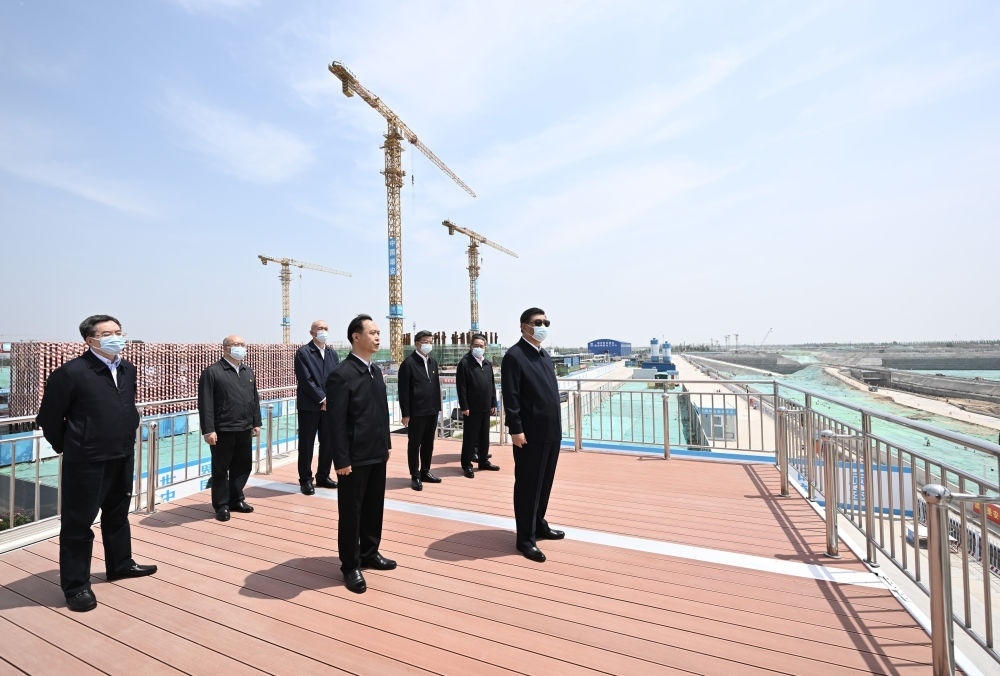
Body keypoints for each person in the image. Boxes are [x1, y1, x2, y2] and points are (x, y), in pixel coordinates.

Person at [35, 314, 158, 612]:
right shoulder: (70, 373)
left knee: (117, 514)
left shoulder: (127, 368)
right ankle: (76, 586)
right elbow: (49, 419)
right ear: (90, 340)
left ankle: (120, 564)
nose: (117, 338)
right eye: (107, 334)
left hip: (122, 454)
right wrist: (72, 446)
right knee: (78, 524)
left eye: (118, 332)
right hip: (86, 460)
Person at [326, 314, 396, 594]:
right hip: (353, 459)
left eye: (379, 333)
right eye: (372, 332)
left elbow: (381, 412)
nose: (378, 337)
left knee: (374, 508)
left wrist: (386, 444)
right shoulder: (341, 375)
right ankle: (350, 565)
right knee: (351, 513)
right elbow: (335, 422)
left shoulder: (375, 371)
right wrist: (341, 459)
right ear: (356, 337)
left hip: (376, 452)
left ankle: (370, 552)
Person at [501, 307, 565, 563]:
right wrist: (516, 428)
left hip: (551, 432)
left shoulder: (544, 355)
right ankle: (525, 539)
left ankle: (539, 524)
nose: (543, 327)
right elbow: (511, 396)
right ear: (523, 326)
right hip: (529, 434)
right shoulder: (514, 356)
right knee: (528, 485)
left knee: (545, 483)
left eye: (546, 322)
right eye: (538, 322)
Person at [198, 334, 261, 522]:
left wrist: (256, 422)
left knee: (243, 466)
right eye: (236, 344)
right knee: (221, 469)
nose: (241, 347)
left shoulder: (248, 371)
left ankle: (236, 499)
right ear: (225, 348)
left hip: (244, 428)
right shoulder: (212, 372)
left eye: (243, 344)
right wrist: (208, 430)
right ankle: (221, 505)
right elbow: (205, 403)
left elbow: (254, 399)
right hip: (223, 429)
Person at [294, 319, 340, 495]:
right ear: (311, 332)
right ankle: (305, 480)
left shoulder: (332, 353)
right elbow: (305, 379)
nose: (323, 331)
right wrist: (322, 398)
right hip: (310, 406)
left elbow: (336, 378)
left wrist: (333, 398)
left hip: (329, 406)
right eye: (319, 328)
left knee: (328, 442)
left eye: (326, 328)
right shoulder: (303, 352)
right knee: (306, 444)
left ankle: (323, 476)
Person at [398, 329, 442, 491]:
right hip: (416, 412)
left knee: (428, 444)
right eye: (425, 342)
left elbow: (435, 386)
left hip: (432, 410)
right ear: (417, 344)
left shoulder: (433, 362)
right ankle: (415, 475)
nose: (428, 345)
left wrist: (438, 407)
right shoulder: (408, 364)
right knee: (414, 444)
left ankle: (425, 471)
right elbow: (403, 391)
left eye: (430, 342)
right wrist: (406, 414)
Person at [456, 333, 499, 478]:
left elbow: (492, 384)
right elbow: (461, 387)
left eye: (481, 346)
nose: (478, 348)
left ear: (485, 347)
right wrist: (464, 406)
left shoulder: (487, 363)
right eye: (476, 345)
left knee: (484, 436)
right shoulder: (465, 363)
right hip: (471, 408)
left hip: (486, 406)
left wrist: (493, 402)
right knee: (470, 437)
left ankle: (483, 461)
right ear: (471, 346)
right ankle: (466, 465)